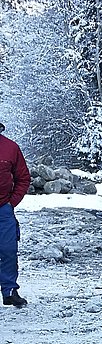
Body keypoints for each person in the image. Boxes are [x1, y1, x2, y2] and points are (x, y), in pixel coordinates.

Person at [0, 122, 31, 308]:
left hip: (3, 208)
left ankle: (9, 291)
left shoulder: (11, 148)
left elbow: (23, 178)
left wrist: (12, 203)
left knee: (9, 250)